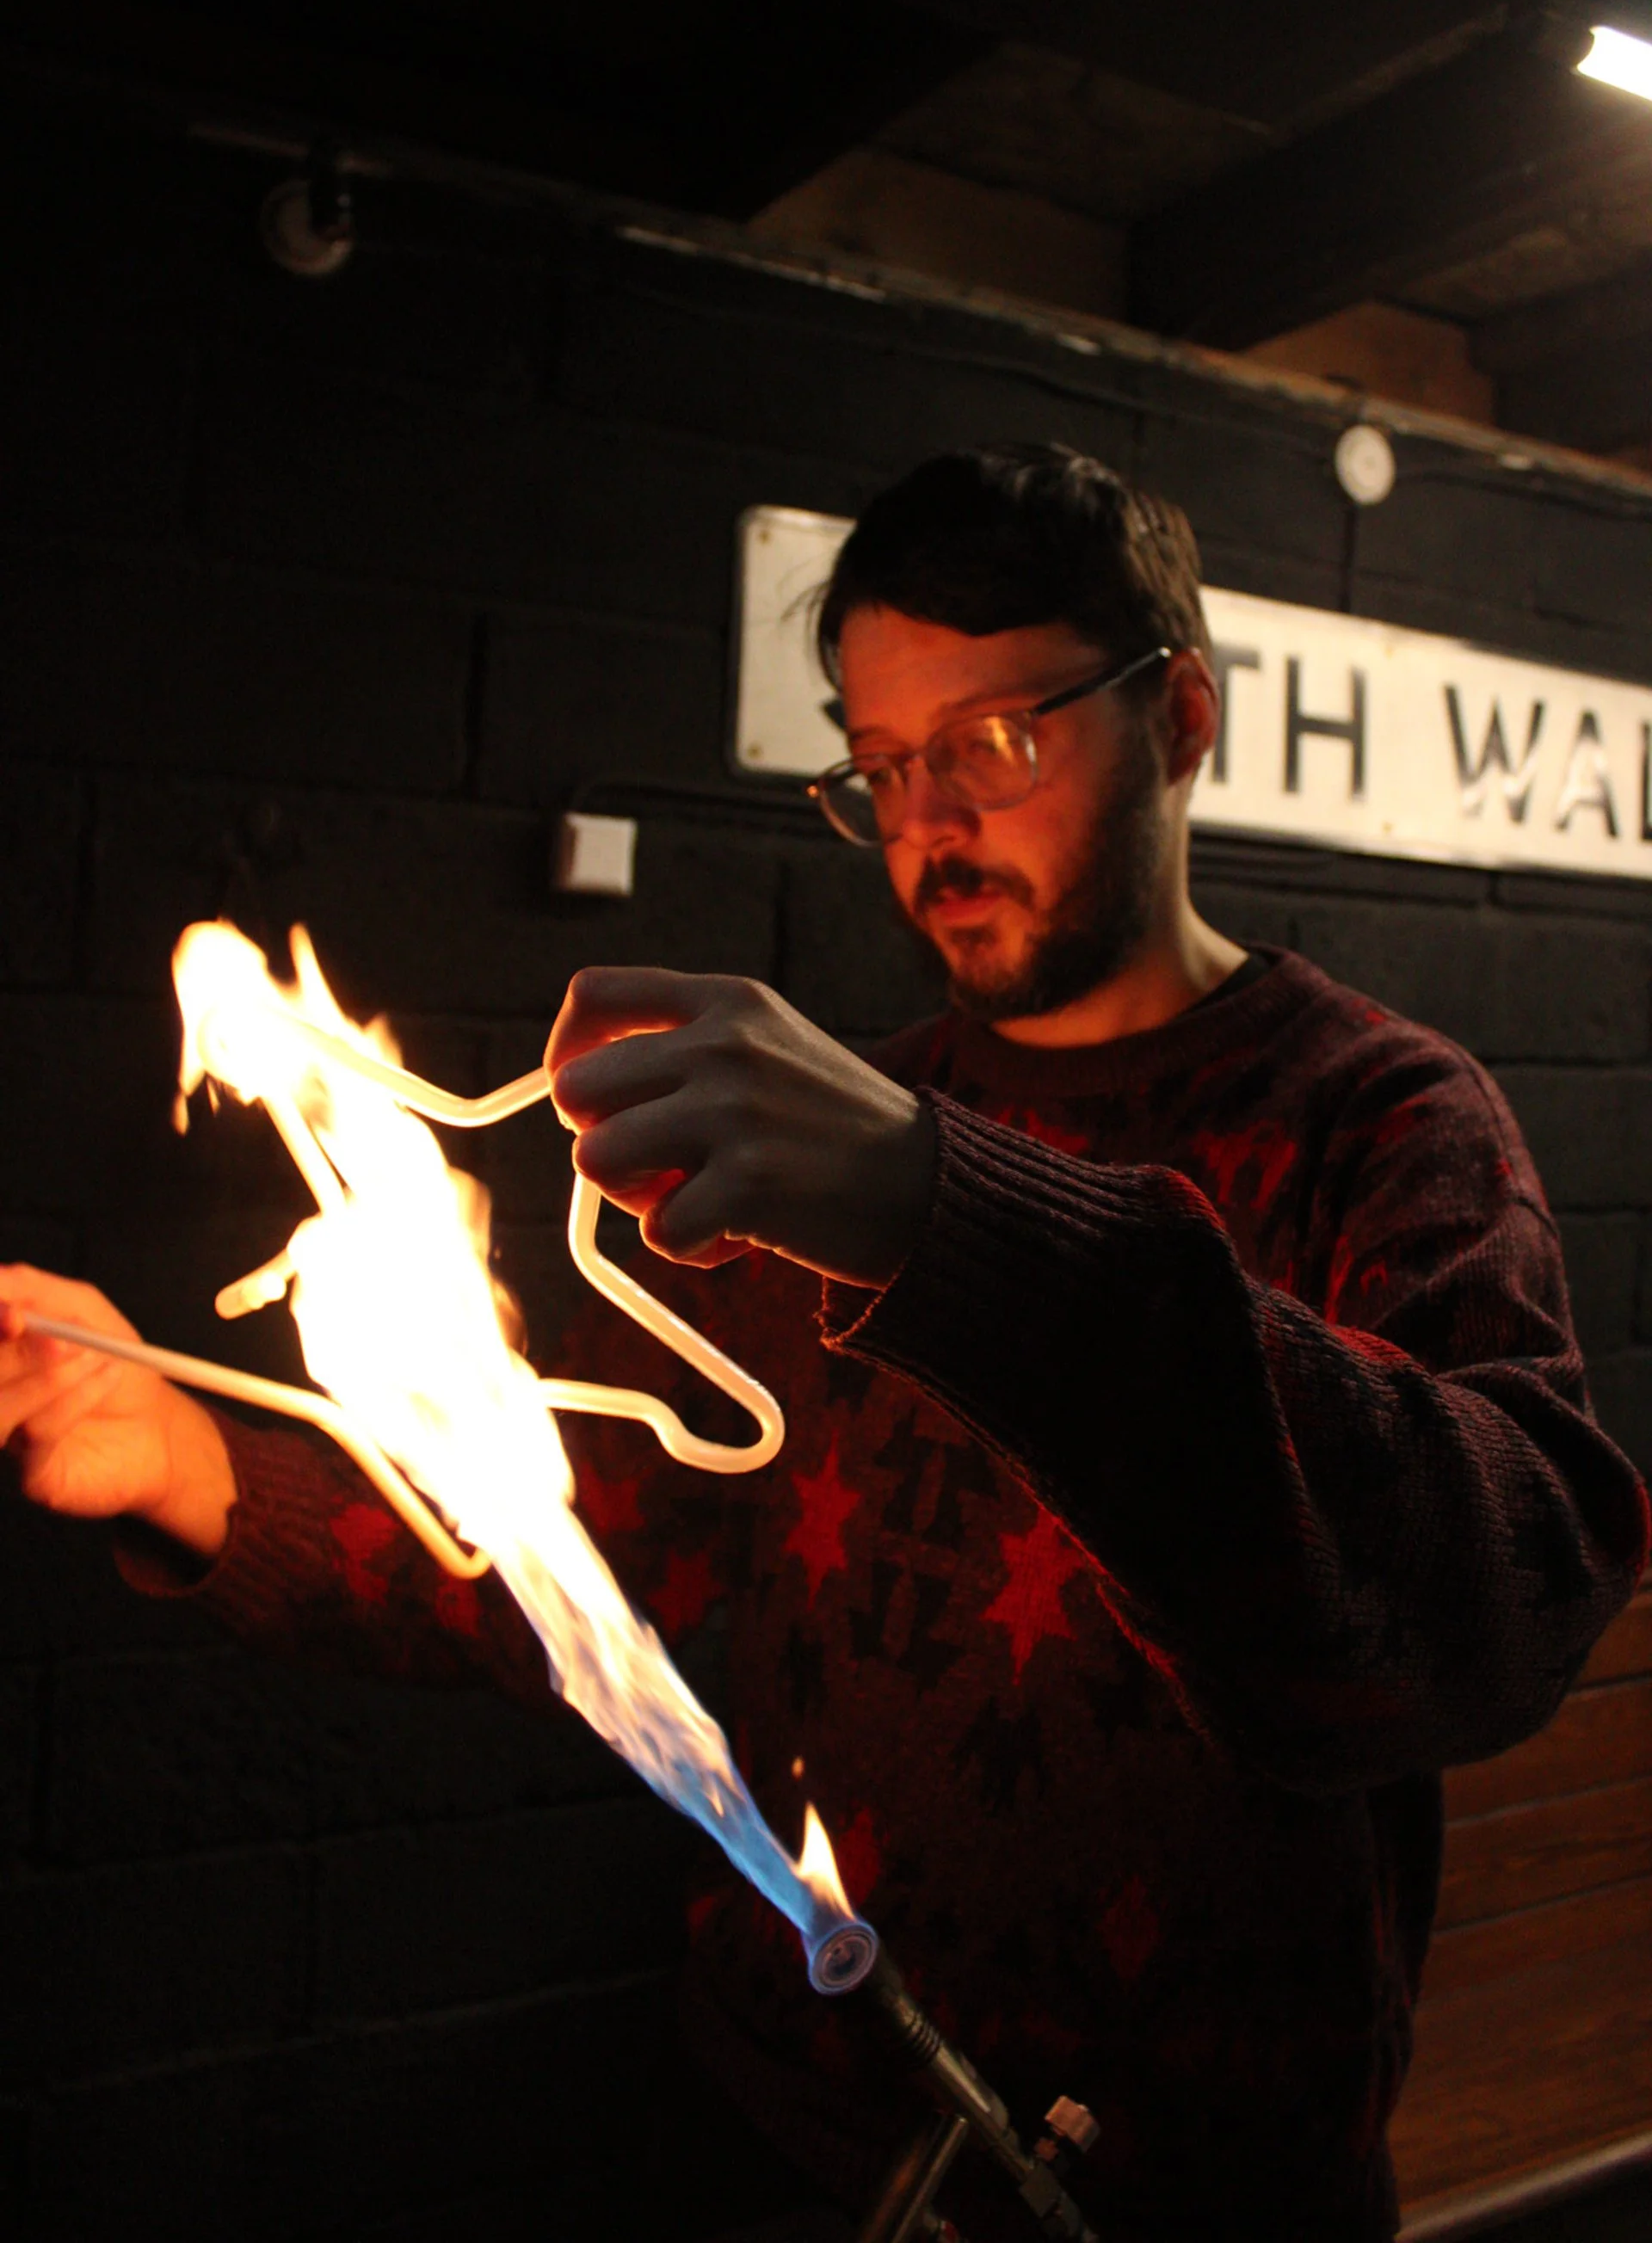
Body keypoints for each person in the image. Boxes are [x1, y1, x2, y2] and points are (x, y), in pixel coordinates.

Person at [3, 445, 1647, 2243]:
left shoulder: (1376, 1118)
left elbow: (1495, 1602)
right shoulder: (844, 1145)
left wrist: (946, 1218)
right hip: (787, 2143)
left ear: (1179, 719)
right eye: (878, 767)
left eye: (991, 743)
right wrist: (170, 1454)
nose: (929, 826)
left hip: (1192, 2202)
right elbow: (569, 1559)